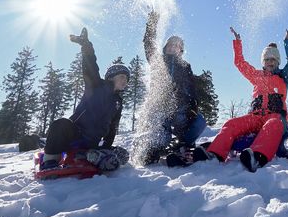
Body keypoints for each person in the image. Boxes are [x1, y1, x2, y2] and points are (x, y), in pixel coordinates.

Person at [194, 27, 288, 172]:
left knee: (273, 124)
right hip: (254, 117)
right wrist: (237, 42)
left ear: (278, 61)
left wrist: (287, 41)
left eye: (273, 59)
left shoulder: (283, 76)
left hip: (275, 117)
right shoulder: (256, 76)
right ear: (263, 61)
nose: (270, 62)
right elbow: (240, 63)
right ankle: (214, 154)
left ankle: (257, 157)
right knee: (231, 123)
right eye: (267, 59)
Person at [41, 28, 130, 171]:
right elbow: (91, 67)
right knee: (60, 124)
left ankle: (91, 155)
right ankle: (50, 161)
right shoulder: (96, 85)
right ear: (112, 76)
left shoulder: (118, 102)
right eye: (122, 77)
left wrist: (107, 146)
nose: (125, 81)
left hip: (93, 142)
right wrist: (86, 46)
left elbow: (113, 127)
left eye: (127, 79)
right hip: (75, 135)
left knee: (123, 155)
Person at [136, 10, 206, 166]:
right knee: (163, 136)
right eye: (171, 45)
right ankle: (154, 148)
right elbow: (148, 43)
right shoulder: (158, 61)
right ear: (165, 47)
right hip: (160, 108)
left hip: (180, 109)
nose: (174, 48)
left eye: (177, 46)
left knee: (200, 121)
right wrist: (152, 23)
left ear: (181, 50)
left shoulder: (185, 66)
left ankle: (183, 145)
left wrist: (193, 105)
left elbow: (191, 88)